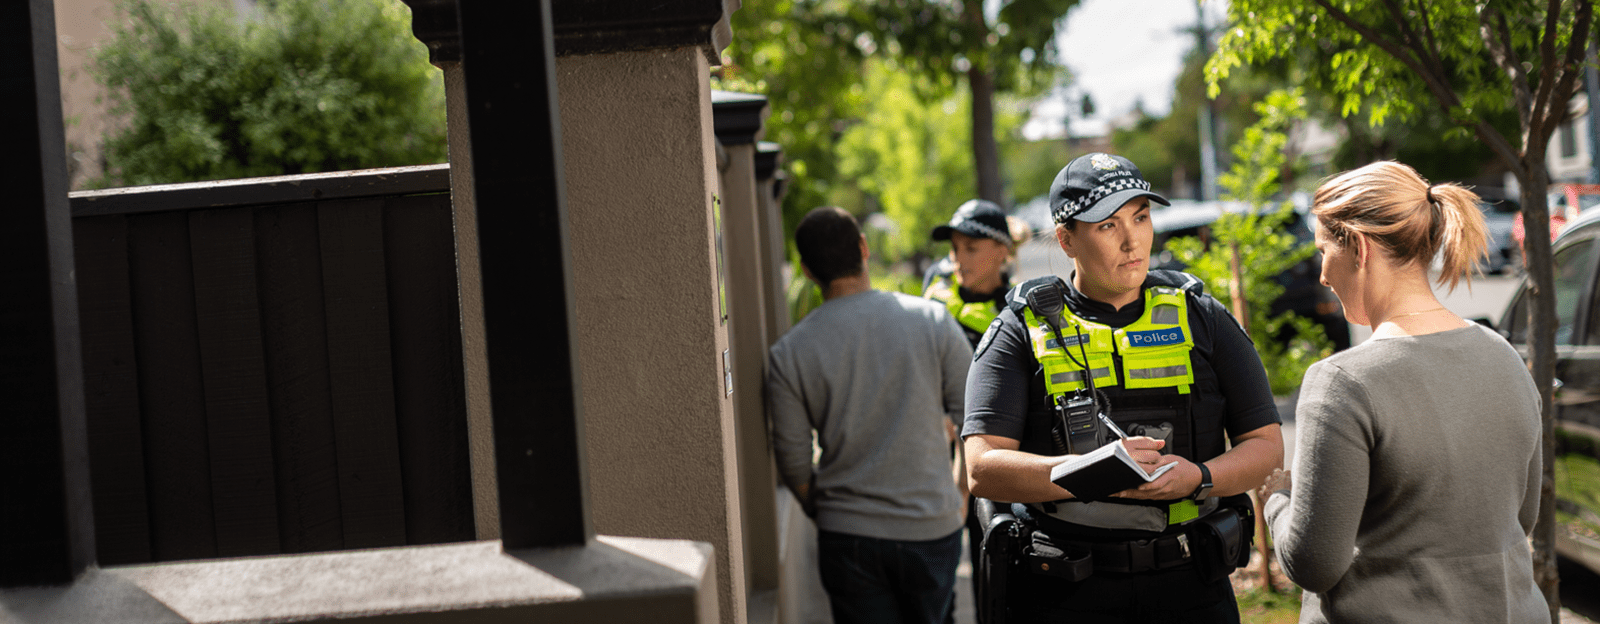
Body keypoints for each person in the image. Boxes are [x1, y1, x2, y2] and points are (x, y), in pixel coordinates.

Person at [963, 152, 1283, 622]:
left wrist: (1198, 476)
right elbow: (981, 466)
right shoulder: (1019, 329)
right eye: (1108, 225)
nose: (1133, 240)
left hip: (1191, 588)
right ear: (1066, 240)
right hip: (1066, 593)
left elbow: (1266, 445)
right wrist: (1087, 471)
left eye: (1141, 216)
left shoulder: (1203, 317)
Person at [1259, 161, 1546, 623]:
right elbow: (1519, 518)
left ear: (1359, 247)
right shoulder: (1504, 356)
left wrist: (1278, 500)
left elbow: (1313, 563)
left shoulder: (1342, 383)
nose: (1323, 277)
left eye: (1323, 253)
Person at [767, 206, 974, 624]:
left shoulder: (789, 354)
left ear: (807, 271)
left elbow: (792, 462)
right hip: (930, 525)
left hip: (848, 536)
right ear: (863, 248)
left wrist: (828, 510)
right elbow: (976, 419)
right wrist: (959, 495)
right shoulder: (932, 320)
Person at [923, 199, 1022, 346]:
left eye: (971, 249)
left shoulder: (1016, 310)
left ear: (1001, 252)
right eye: (955, 248)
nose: (958, 259)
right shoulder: (936, 279)